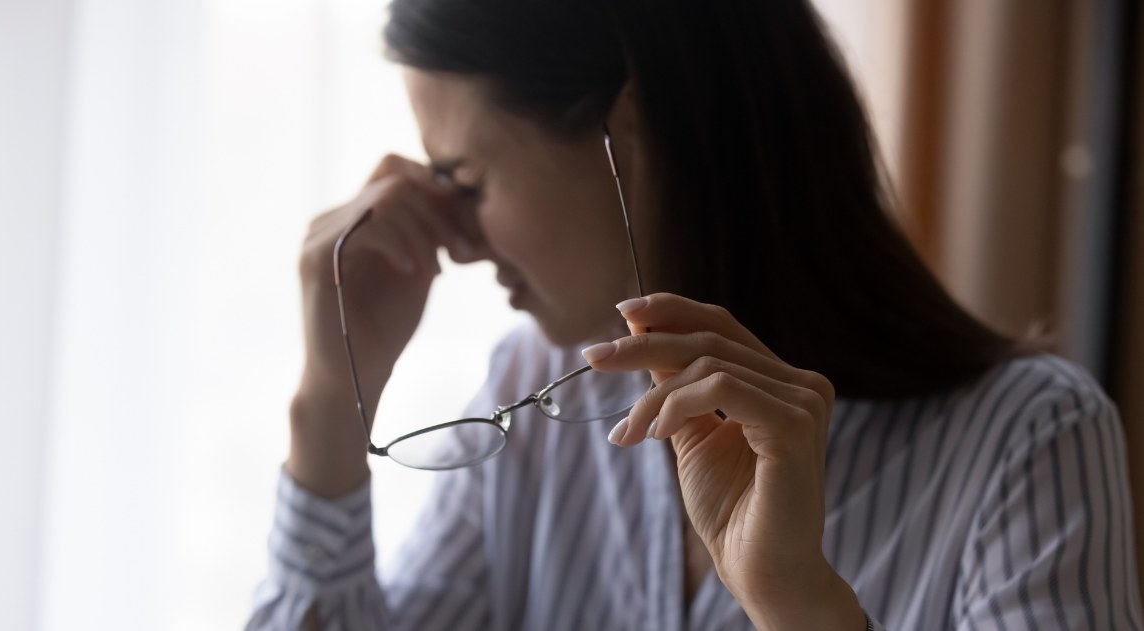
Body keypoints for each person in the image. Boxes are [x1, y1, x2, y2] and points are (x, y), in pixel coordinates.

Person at [247, 1, 1143, 629]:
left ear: (629, 128)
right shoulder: (529, 402)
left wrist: (798, 601)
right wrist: (329, 403)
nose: (458, 242)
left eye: (466, 182)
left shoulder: (1027, 442)